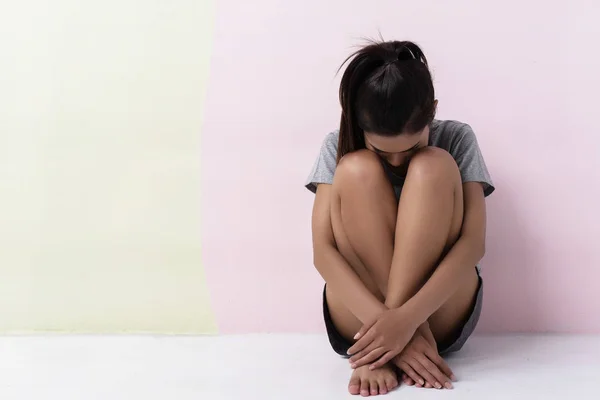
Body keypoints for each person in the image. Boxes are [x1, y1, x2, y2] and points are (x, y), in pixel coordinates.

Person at [305, 40, 494, 396]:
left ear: (432, 111)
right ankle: (386, 347)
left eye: (411, 148)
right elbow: (323, 251)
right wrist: (390, 327)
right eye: (382, 151)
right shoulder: (338, 145)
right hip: (359, 315)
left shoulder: (457, 138)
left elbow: (472, 244)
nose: (397, 162)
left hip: (440, 309)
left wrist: (405, 322)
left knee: (433, 166)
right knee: (357, 168)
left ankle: (387, 344)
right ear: (360, 125)